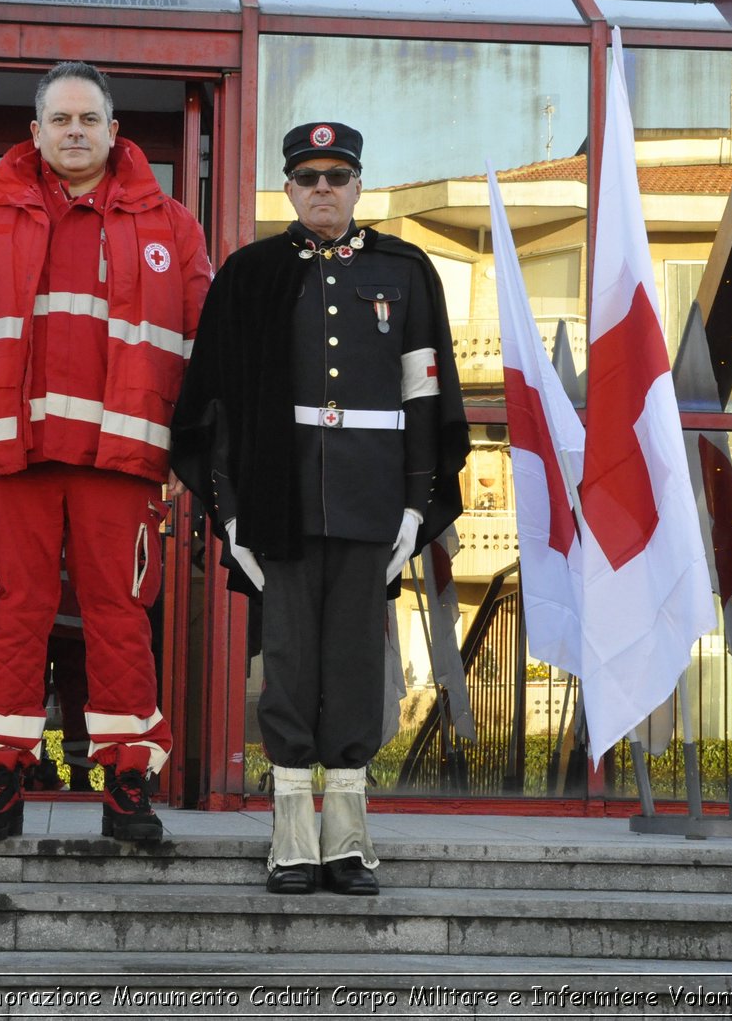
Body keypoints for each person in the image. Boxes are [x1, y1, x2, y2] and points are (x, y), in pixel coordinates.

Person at [171, 122, 469, 895]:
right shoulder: (251, 275)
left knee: (356, 664)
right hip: (281, 502)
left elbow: (425, 394)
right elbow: (219, 407)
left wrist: (415, 504)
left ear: (359, 184)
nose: (323, 190)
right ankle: (293, 834)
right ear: (289, 188)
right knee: (291, 666)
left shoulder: (405, 271)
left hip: (373, 501)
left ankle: (347, 833)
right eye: (308, 178)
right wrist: (230, 512)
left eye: (337, 176)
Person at [0, 61, 210, 843]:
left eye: (89, 119)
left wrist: (190, 449)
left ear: (115, 132)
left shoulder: (172, 225)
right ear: (35, 131)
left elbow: (202, 349)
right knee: (11, 614)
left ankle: (126, 786)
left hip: (125, 456)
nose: (75, 131)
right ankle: (4, 779)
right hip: (11, 455)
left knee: (122, 617)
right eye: (60, 119)